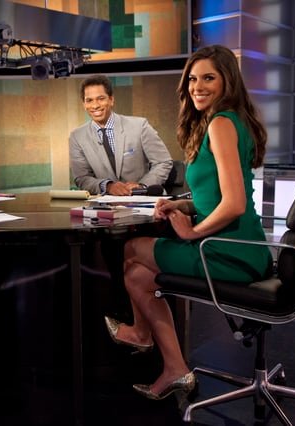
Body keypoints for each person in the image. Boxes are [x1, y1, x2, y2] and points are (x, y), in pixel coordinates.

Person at [104, 45, 273, 400]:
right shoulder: (228, 121)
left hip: (229, 252)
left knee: (133, 248)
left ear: (228, 81)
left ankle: (140, 334)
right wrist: (180, 203)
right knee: (137, 276)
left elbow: (234, 204)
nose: (198, 86)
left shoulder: (222, 123)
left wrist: (192, 230)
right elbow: (216, 196)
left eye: (209, 77)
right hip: (246, 249)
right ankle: (175, 369)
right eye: (193, 79)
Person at [69, 74, 173, 195]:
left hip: (144, 199)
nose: (95, 105)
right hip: (106, 205)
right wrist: (108, 186)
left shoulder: (140, 126)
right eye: (89, 100)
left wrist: (142, 185)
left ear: (111, 100)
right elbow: (82, 178)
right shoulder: (77, 137)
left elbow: (163, 162)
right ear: (84, 104)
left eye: (101, 98)